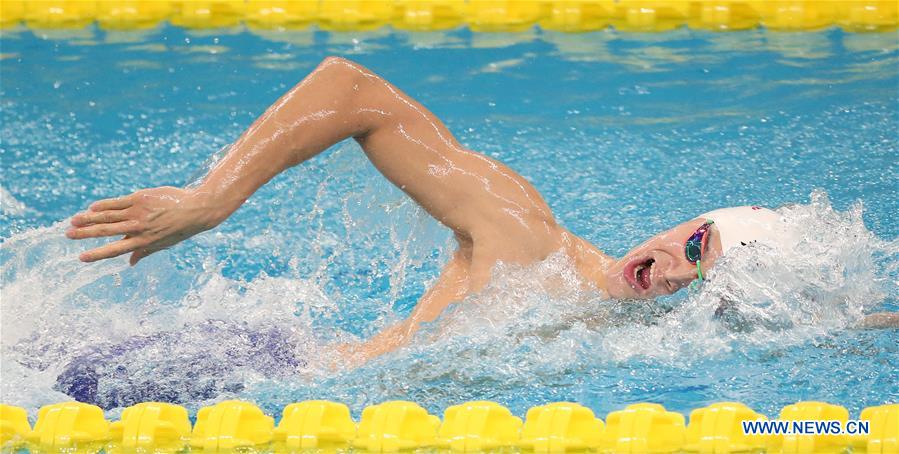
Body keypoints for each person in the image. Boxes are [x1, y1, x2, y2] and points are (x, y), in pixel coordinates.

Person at [67, 57, 898, 365]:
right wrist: (212, 199)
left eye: (704, 277)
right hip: (238, 370)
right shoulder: (528, 240)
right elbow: (352, 91)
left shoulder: (642, 335)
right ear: (685, 220)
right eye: (695, 241)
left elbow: (818, 325)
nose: (676, 268)